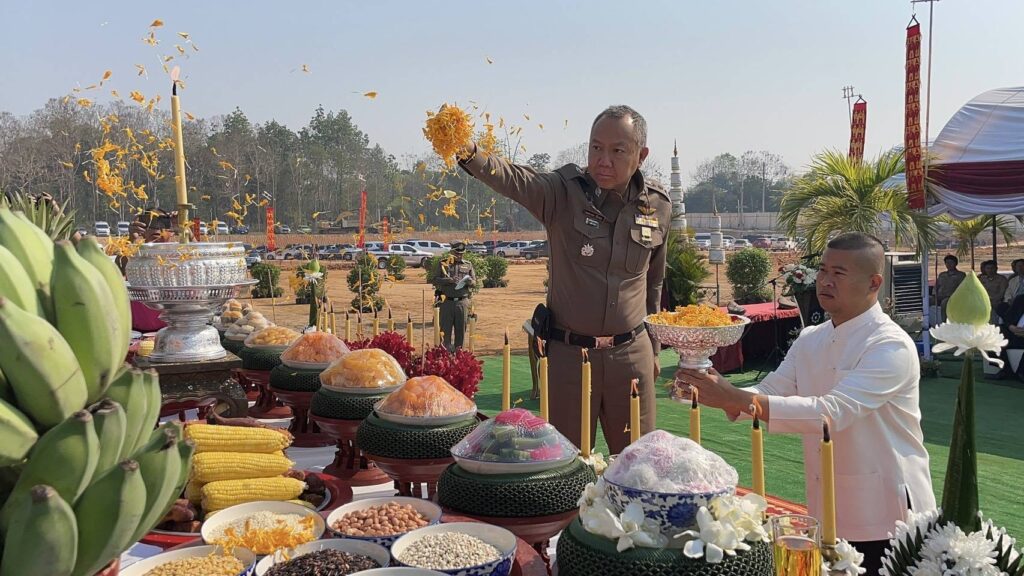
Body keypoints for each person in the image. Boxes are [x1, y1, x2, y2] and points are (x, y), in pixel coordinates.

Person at [676, 232, 934, 575]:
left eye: (839, 273)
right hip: (827, 501)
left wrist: (734, 398)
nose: (825, 281)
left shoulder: (890, 345)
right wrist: (710, 390)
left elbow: (831, 412)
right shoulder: (811, 338)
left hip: (885, 509)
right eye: (823, 270)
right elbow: (772, 390)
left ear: (874, 283)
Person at [457, 105, 672, 455]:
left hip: (632, 357)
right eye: (596, 147)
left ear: (641, 155)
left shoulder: (657, 205)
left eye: (617, 150)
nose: (603, 160)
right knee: (567, 463)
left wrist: (655, 349)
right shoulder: (561, 193)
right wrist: (470, 153)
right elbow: (515, 179)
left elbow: (654, 282)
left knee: (636, 464)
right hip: (570, 358)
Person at [434, 242, 475, 351]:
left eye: (461, 254)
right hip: (447, 302)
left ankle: (459, 354)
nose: (459, 256)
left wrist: (469, 281)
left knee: (461, 331)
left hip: (462, 302)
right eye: (457, 253)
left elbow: (474, 282)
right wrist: (449, 280)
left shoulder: (468, 264)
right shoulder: (443, 264)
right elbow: (435, 279)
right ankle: (445, 354)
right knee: (445, 331)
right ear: (451, 252)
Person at [935, 254, 966, 322]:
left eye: (951, 262)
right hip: (939, 296)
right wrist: (934, 294)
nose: (949, 265)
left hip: (952, 298)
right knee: (927, 300)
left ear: (955, 264)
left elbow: (962, 288)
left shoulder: (961, 275)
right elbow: (936, 286)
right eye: (947, 263)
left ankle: (944, 322)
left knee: (944, 303)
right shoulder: (942, 275)